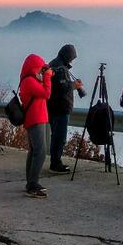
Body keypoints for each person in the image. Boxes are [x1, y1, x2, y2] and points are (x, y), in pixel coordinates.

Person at [47, 44, 86, 173]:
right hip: (60, 108)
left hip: (52, 107)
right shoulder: (60, 68)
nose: (72, 60)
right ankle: (56, 164)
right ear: (67, 56)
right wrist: (74, 85)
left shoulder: (54, 64)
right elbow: (61, 88)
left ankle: (55, 161)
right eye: (71, 58)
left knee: (56, 136)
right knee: (59, 137)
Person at [19, 54, 53, 199]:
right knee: (40, 151)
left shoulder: (31, 79)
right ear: (34, 67)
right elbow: (47, 93)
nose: (41, 70)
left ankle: (30, 183)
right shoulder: (28, 81)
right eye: (40, 68)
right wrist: (47, 77)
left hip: (39, 118)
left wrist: (45, 74)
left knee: (33, 151)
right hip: (35, 119)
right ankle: (33, 184)